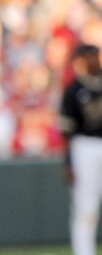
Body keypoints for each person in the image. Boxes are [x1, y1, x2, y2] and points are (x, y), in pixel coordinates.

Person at [59, 44, 102, 255]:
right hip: (84, 146)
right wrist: (68, 162)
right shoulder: (74, 89)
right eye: (92, 56)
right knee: (86, 205)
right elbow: (67, 132)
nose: (96, 60)